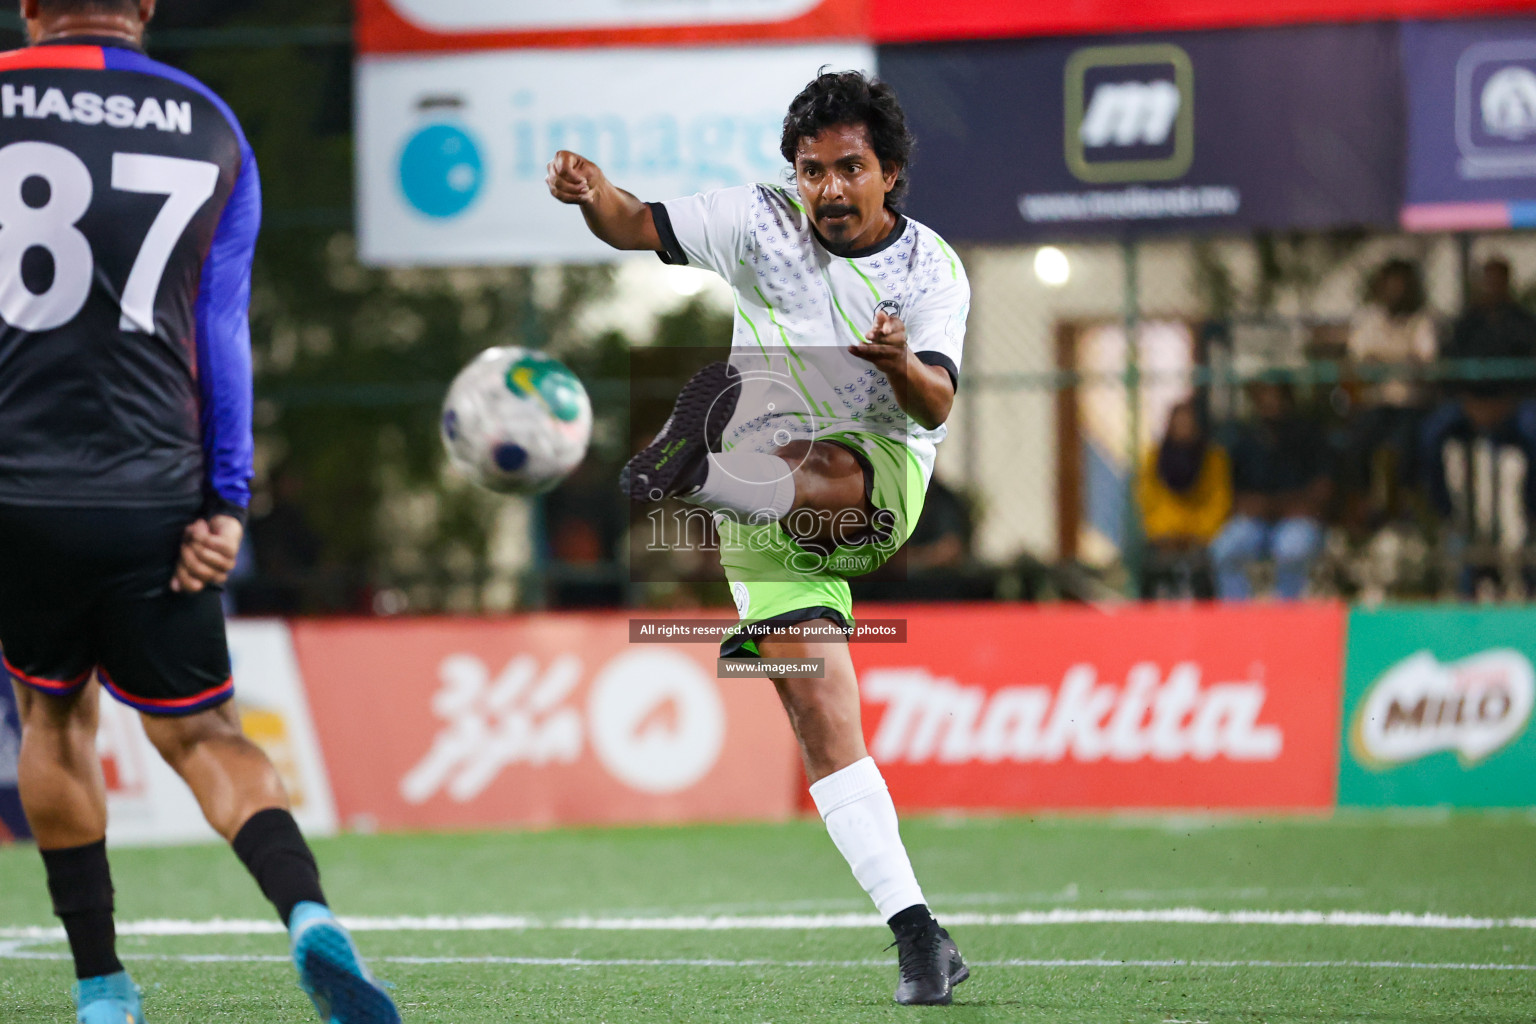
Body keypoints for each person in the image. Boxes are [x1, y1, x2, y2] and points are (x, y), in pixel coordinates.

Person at [0, 4, 399, 1023]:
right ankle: (308, 913)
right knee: (209, 735)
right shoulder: (209, 120)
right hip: (156, 494)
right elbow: (223, 331)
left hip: (21, 491)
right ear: (145, 6)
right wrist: (227, 498)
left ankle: (102, 986)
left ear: (32, 6)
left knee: (52, 715)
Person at [548, 70, 970, 1005]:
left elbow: (938, 395)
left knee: (779, 455)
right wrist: (591, 192)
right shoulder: (758, 219)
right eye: (811, 169)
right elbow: (632, 221)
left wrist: (899, 362)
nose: (827, 187)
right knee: (818, 716)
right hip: (761, 495)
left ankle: (699, 471)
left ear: (889, 174)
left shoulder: (930, 269)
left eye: (848, 168)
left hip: (872, 482)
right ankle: (919, 936)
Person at [1209, 382, 1330, 600]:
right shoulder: (1244, 441)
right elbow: (1234, 498)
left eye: (1276, 397)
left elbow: (1320, 493)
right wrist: (1266, 505)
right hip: (1256, 523)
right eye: (1264, 397)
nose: (1271, 404)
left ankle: (1288, 619)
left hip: (1296, 521)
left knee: (1293, 548)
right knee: (1225, 548)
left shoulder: (1308, 436)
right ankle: (1234, 618)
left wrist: (1275, 505)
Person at [1344, 259, 1437, 520]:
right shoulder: (1368, 318)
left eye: (1401, 286)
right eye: (1390, 286)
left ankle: (1407, 513)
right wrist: (1401, 361)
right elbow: (1358, 361)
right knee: (1356, 443)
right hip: (1376, 404)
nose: (1395, 292)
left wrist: (1385, 362)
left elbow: (1424, 363)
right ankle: (1363, 514)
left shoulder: (1422, 320)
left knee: (1405, 446)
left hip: (1413, 405)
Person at [1137, 400, 1231, 599]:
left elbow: (1218, 502)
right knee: (1151, 567)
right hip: (1166, 537)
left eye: (1189, 423)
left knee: (1201, 570)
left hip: (1200, 537)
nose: (1184, 428)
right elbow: (1149, 501)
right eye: (1178, 423)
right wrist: (1166, 533)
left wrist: (1196, 535)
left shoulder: (1213, 458)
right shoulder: (1154, 458)